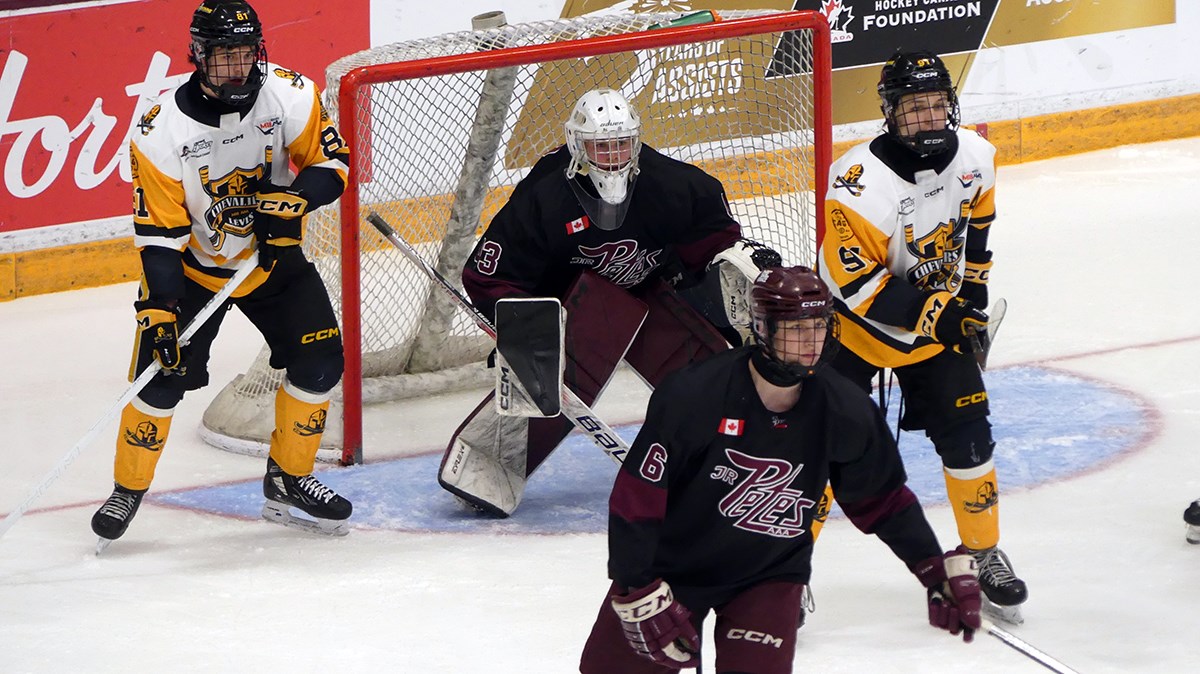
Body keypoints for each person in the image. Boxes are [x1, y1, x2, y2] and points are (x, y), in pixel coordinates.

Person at [579, 267, 982, 673]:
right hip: (671, 568)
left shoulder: (845, 409)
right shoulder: (695, 394)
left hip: (767, 576)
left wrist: (933, 571)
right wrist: (638, 585)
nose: (811, 341)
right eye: (796, 328)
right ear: (763, 328)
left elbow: (884, 502)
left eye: (818, 326)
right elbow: (637, 499)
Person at [440, 88, 781, 516]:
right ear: (577, 144)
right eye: (601, 146)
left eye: (621, 144)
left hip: (653, 289)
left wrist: (733, 262)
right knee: (545, 363)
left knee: (702, 371)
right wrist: (523, 325)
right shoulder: (545, 194)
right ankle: (491, 459)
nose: (613, 156)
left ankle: (739, 448)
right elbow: (488, 275)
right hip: (571, 311)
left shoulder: (672, 185)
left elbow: (713, 244)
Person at [90, 0, 352, 546]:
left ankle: (289, 479)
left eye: (246, 53)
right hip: (192, 273)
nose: (238, 67)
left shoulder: (290, 93)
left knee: (321, 361)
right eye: (224, 56)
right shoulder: (159, 129)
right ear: (198, 55)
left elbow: (333, 164)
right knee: (160, 379)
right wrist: (161, 308)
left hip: (271, 262)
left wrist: (297, 200)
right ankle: (127, 489)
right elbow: (160, 238)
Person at [817, 50, 1027, 622]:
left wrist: (973, 297)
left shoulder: (977, 156)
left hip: (934, 330)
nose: (928, 117)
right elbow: (857, 285)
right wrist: (943, 314)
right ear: (890, 112)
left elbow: (977, 229)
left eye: (937, 104)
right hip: (852, 330)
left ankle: (981, 551)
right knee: (815, 446)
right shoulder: (858, 183)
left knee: (970, 438)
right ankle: (781, 569)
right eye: (914, 108)